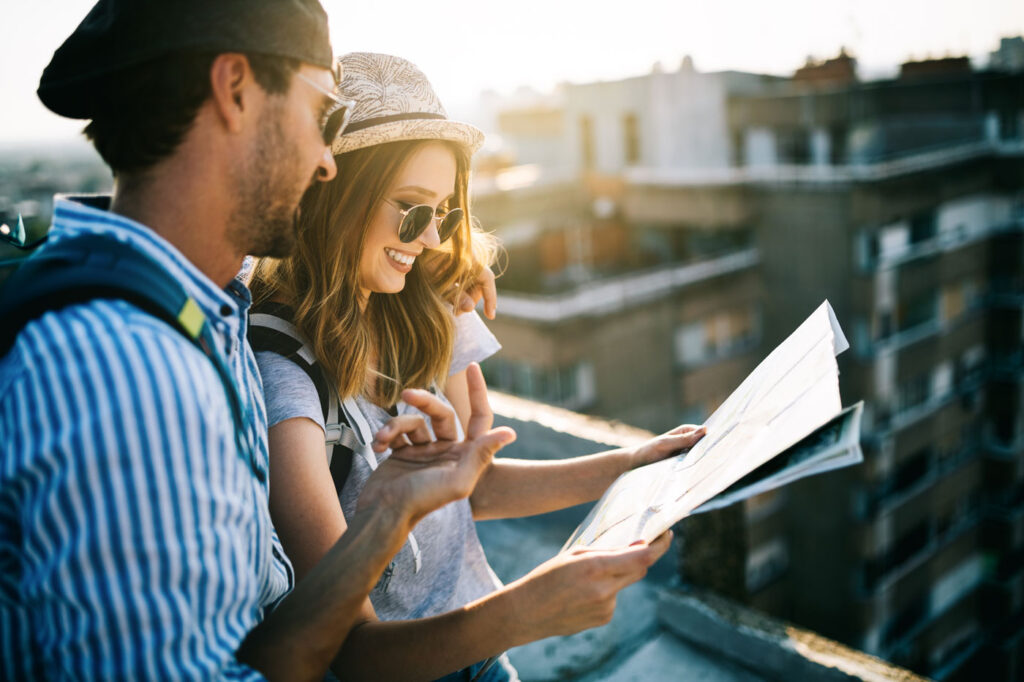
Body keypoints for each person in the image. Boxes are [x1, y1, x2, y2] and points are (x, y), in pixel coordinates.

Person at [0, 3, 516, 680]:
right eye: (326, 116)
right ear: (235, 90)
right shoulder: (126, 372)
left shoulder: (198, 301)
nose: (330, 162)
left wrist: (442, 257)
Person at [249, 52, 705, 681]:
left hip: (483, 659)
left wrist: (627, 467)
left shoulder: (417, 306)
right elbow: (347, 652)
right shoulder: (285, 381)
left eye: (445, 213)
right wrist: (525, 611)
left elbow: (469, 489)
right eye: (413, 209)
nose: (433, 239)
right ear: (333, 190)